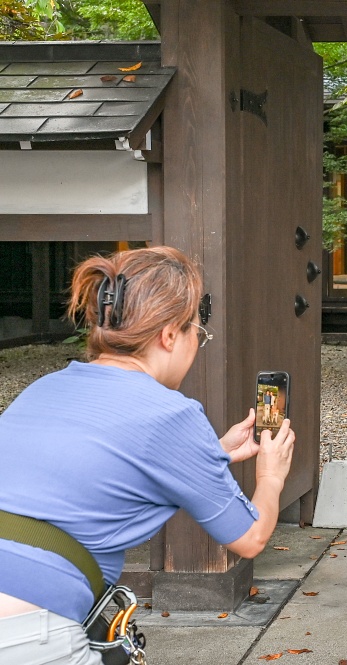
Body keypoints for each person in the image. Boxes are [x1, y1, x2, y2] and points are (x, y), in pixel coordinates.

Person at [0, 246, 296, 664]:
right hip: (27, 628)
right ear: (170, 334)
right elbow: (250, 537)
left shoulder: (44, 388)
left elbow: (95, 468)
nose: (197, 343)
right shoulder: (171, 413)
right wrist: (271, 476)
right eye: (198, 331)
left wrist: (211, 456)